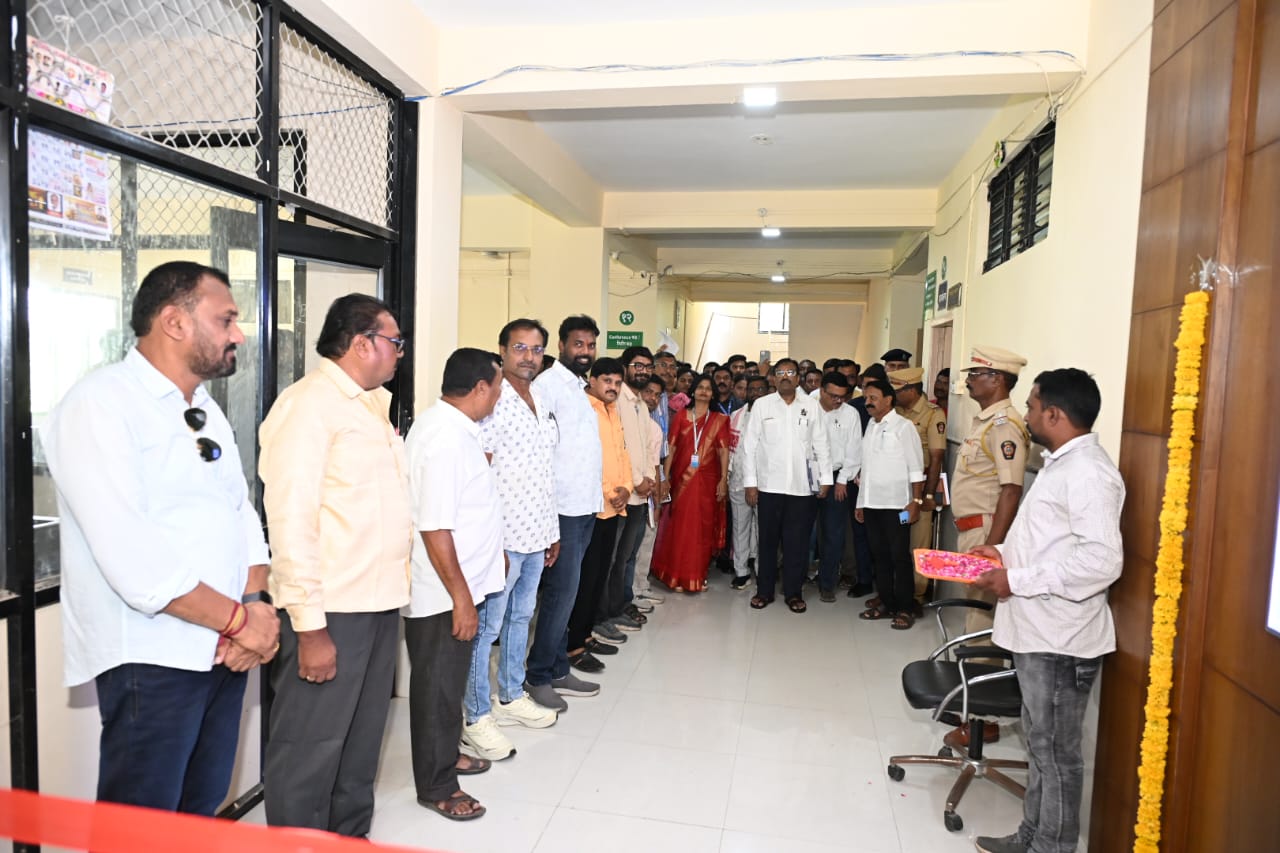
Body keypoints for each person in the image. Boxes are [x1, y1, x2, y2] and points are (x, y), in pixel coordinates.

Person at [43, 261, 279, 815]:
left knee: (201, 809)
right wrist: (241, 622)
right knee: (141, 824)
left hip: (223, 649)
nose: (239, 335)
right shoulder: (100, 404)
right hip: (154, 658)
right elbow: (134, 561)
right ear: (174, 322)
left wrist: (254, 603)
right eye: (226, 320)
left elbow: (240, 514)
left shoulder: (202, 408)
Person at [260, 293, 413, 836]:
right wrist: (310, 628)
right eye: (394, 341)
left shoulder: (369, 405)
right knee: (310, 746)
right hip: (331, 611)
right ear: (361, 344)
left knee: (360, 742)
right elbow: (291, 521)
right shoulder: (308, 406)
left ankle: (349, 837)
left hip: (378, 602)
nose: (400, 352)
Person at [971, 368, 1124, 853]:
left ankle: (1051, 847)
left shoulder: (1089, 473)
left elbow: (1101, 561)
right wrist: (1002, 554)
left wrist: (1015, 580)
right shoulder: (1061, 464)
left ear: (1054, 414)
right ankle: (1032, 837)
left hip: (1060, 640)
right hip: (1039, 631)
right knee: (1041, 745)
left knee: (1056, 755)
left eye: (1033, 406)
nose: (1027, 414)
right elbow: (1049, 543)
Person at [402, 349, 506, 821]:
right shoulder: (445, 438)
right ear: (480, 387)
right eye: (497, 387)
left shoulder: (455, 429)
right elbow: (435, 526)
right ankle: (438, 786)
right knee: (438, 690)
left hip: (459, 585)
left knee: (448, 684)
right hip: (442, 593)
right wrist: (461, 599)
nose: (498, 396)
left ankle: (446, 755)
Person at [461, 320, 561, 764]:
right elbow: (478, 475)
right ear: (502, 350)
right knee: (487, 630)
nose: (528, 356)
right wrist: (488, 542)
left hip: (536, 533)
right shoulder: (492, 401)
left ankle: (511, 695)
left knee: (522, 618)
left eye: (536, 349)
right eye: (520, 347)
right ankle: (476, 716)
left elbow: (545, 470)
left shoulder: (541, 399)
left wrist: (552, 531)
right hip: (500, 539)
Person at [526, 315, 605, 711]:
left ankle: (558, 669)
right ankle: (538, 675)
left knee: (568, 593)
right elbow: (543, 451)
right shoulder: (547, 387)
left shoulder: (577, 386)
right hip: (562, 509)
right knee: (560, 594)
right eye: (578, 344)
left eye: (590, 345)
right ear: (561, 346)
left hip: (584, 504)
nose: (585, 352)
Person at [740, 358, 831, 613]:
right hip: (769, 487)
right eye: (780, 372)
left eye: (790, 372)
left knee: (797, 544)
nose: (785, 376)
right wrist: (750, 483)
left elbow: (821, 444)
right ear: (773, 377)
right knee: (767, 542)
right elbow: (749, 446)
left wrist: (825, 479)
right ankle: (764, 591)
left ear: (798, 377)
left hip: (802, 489)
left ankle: (793, 593)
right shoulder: (762, 405)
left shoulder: (811, 406)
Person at [952, 346, 1030, 642]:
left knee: (981, 613)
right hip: (972, 530)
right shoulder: (985, 422)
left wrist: (993, 546)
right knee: (976, 608)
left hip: (985, 531)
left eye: (976, 373)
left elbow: (1011, 490)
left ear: (997, 379)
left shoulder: (1004, 425)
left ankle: (978, 667)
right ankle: (972, 662)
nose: (969, 380)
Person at [566, 358, 634, 672]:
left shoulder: (613, 411)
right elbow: (587, 460)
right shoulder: (584, 410)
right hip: (592, 509)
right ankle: (573, 645)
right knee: (585, 580)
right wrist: (611, 492)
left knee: (598, 578)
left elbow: (622, 455)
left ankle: (586, 634)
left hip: (614, 509)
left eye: (618, 383)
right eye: (607, 381)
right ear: (592, 381)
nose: (613, 387)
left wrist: (626, 489)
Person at [599, 346, 662, 635]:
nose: (643, 371)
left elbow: (646, 448)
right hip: (622, 493)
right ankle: (604, 614)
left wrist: (648, 477)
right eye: (638, 365)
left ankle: (620, 605)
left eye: (648, 367)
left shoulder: (639, 403)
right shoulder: (617, 400)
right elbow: (619, 448)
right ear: (625, 368)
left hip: (639, 493)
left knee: (626, 557)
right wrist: (636, 480)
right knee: (611, 559)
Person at [651, 373, 731, 592]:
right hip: (681, 481)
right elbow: (672, 447)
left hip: (708, 482)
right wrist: (665, 477)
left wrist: (723, 480)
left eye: (708, 388)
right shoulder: (681, 416)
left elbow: (724, 451)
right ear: (693, 391)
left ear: (712, 394)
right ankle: (675, 576)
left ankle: (696, 575)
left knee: (702, 529)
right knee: (680, 527)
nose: (704, 391)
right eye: (700, 387)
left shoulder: (720, 419)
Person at [855, 378, 924, 630]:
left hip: (899, 507)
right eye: (866, 398)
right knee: (879, 556)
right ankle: (886, 602)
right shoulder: (871, 426)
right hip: (872, 505)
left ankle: (905, 607)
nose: (868, 402)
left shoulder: (904, 427)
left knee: (899, 556)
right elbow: (866, 468)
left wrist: (915, 501)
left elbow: (916, 467)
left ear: (888, 400)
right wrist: (861, 503)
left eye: (873, 398)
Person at [889, 367, 947, 610]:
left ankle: (916, 595)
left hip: (920, 489)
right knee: (898, 540)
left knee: (919, 543)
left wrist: (927, 495)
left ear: (911, 390)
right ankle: (896, 591)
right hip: (897, 491)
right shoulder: (895, 411)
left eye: (897, 391)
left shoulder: (933, 414)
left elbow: (936, 457)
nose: (893, 395)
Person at [814, 372, 862, 602]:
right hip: (807, 475)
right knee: (800, 531)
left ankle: (827, 583)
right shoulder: (807, 407)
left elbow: (854, 450)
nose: (838, 401)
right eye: (833, 396)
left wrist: (843, 479)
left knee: (834, 533)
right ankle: (795, 579)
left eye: (842, 396)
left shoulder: (850, 413)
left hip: (837, 478)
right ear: (821, 390)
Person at [727, 375, 770, 590]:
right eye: (751, 389)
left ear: (768, 392)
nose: (755, 393)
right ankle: (741, 571)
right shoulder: (736, 415)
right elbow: (731, 449)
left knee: (764, 531)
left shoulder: (773, 416)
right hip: (738, 480)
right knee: (739, 528)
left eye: (760, 389)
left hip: (766, 483)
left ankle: (763, 571)